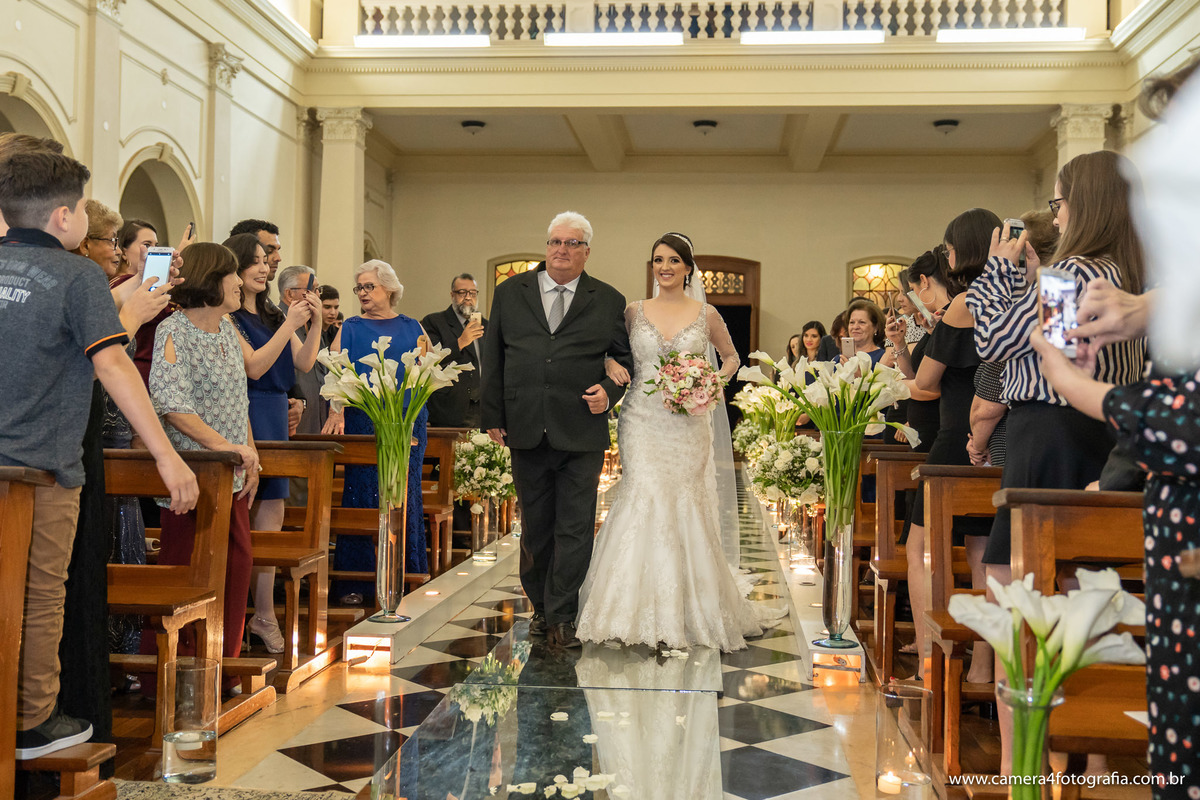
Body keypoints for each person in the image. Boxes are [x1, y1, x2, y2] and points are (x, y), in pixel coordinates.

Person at [1030, 56, 1199, 798]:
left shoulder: (1074, 272)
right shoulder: (1128, 277)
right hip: (1152, 500)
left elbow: (1177, 419)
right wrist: (1141, 307)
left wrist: (1074, 384)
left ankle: (1058, 761)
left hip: (1119, 456)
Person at [0, 151, 197, 758]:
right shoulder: (76, 276)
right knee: (39, 597)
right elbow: (112, 362)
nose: (86, 216)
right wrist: (166, 456)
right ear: (64, 216)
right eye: (84, 207)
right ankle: (32, 719)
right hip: (44, 470)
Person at [575, 232, 780, 651]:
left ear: (688, 268)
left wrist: (707, 385)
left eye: (672, 260)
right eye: (657, 260)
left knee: (683, 502)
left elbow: (732, 359)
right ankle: (626, 610)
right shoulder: (633, 312)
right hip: (642, 421)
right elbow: (608, 351)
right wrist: (612, 363)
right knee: (643, 495)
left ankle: (688, 609)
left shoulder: (706, 314)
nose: (664, 267)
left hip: (687, 426)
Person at [481, 211, 633, 648]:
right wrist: (493, 415)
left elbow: (626, 361)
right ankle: (542, 609)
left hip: (579, 428)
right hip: (525, 424)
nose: (561, 250)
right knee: (535, 526)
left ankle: (564, 614)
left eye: (571, 243)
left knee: (575, 526)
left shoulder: (607, 299)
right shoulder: (511, 292)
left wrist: (608, 391)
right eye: (554, 242)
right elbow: (495, 355)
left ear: (586, 251)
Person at [147, 241, 260, 689]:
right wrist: (228, 449)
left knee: (237, 566)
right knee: (187, 575)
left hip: (230, 476)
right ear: (212, 280)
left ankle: (221, 665)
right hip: (192, 478)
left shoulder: (229, 327)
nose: (239, 282)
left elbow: (239, 398)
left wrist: (250, 453)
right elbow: (172, 404)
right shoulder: (173, 330)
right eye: (232, 273)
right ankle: (175, 672)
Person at [226, 235, 321, 651]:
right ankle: (237, 615)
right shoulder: (230, 316)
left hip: (277, 413)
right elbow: (256, 364)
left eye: (267, 263)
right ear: (236, 268)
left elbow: (303, 362)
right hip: (247, 412)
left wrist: (314, 322)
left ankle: (264, 614)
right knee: (244, 516)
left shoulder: (268, 312)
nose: (265, 269)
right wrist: (289, 323)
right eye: (257, 262)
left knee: (271, 518)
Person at [323, 259, 431, 600]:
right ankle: (356, 582)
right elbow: (335, 375)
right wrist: (336, 411)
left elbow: (428, 372)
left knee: (405, 493)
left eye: (369, 286)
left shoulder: (413, 326)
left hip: (407, 418)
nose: (362, 293)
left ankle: (406, 575)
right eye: (359, 288)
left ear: (389, 287)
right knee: (362, 493)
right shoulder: (352, 327)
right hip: (364, 420)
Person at [421, 273, 487, 428]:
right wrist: (461, 342)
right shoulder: (434, 322)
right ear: (452, 295)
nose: (468, 297)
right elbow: (430, 359)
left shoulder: (486, 325)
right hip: (448, 408)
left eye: (472, 293)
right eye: (462, 292)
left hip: (482, 410)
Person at [278, 265, 327, 435]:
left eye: (318, 290)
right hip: (294, 417)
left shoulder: (312, 321)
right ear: (290, 294)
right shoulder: (278, 320)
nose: (318, 296)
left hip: (316, 415)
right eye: (312, 290)